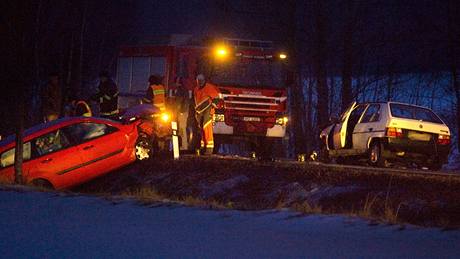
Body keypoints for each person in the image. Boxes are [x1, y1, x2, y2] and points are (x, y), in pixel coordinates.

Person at [193, 74, 220, 155]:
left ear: (204, 80)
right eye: (198, 81)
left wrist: (214, 106)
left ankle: (209, 148)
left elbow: (216, 98)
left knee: (207, 128)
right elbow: (195, 101)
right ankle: (203, 146)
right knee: (201, 129)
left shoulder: (209, 87)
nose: (200, 83)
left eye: (201, 81)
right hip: (199, 112)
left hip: (207, 111)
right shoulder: (196, 89)